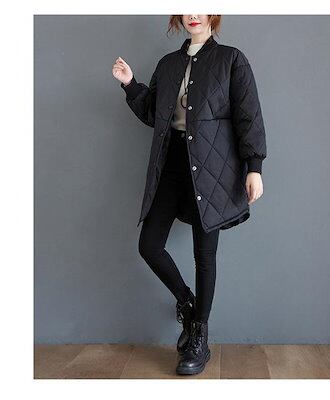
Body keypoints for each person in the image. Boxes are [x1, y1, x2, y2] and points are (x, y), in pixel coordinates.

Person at [112, 15, 267, 375]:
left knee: (204, 255)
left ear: (213, 14)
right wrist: (130, 84)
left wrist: (254, 167)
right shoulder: (168, 64)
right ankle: (188, 304)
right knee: (149, 244)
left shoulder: (231, 59)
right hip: (171, 165)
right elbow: (154, 112)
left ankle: (200, 336)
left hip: (213, 169)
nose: (192, 13)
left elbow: (248, 115)